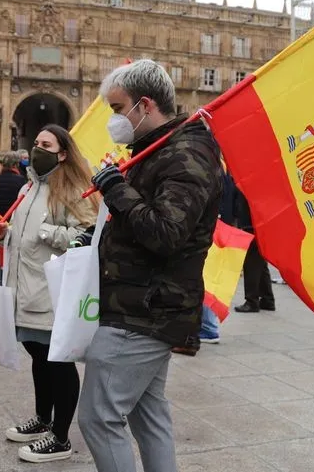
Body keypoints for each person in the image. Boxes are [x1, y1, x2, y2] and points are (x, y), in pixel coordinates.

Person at [75, 59, 223, 472]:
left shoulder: (186, 153)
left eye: (118, 109)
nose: (114, 120)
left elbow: (166, 233)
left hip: (145, 310)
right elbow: (139, 222)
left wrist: (116, 190)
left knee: (99, 418)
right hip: (141, 303)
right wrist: (96, 238)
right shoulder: (156, 149)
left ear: (145, 105)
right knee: (147, 413)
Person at [0, 125, 98, 463]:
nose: (38, 148)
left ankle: (61, 438)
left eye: (46, 144)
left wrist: (47, 231)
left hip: (53, 290)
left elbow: (88, 234)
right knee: (38, 355)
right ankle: (43, 419)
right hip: (26, 287)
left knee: (58, 362)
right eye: (36, 142)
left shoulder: (73, 189)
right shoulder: (29, 187)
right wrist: (6, 233)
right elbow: (25, 235)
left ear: (62, 153)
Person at [232, 177, 275, 314]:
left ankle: (252, 301)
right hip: (258, 223)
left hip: (252, 224)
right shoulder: (257, 177)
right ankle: (267, 298)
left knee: (251, 262)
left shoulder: (250, 178)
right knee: (259, 262)